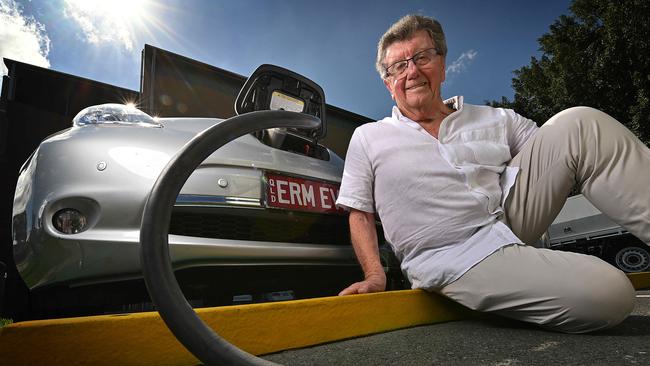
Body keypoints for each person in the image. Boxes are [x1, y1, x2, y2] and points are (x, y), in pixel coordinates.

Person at [335, 14, 649, 334]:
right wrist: (375, 276)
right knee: (610, 293)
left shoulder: (496, 118)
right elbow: (359, 212)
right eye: (399, 66)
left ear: (442, 64)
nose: (412, 71)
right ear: (389, 84)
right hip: (452, 255)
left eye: (422, 57)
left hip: (509, 219)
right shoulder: (368, 137)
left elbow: (557, 153)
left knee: (581, 126)